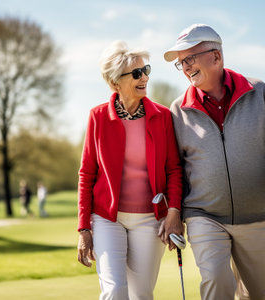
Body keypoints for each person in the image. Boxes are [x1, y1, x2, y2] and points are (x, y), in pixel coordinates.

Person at [164, 24, 265, 300]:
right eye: (181, 62)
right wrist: (174, 212)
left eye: (190, 58)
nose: (185, 67)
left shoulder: (259, 93)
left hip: (256, 216)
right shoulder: (177, 111)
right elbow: (174, 168)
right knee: (217, 280)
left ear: (216, 56)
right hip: (203, 214)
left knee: (255, 293)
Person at [77, 40, 183, 300]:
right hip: (107, 218)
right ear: (115, 83)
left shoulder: (163, 116)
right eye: (136, 73)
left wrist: (174, 213)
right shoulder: (98, 117)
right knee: (115, 290)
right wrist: (84, 229)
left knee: (142, 294)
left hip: (150, 219)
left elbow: (174, 170)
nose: (144, 77)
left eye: (145, 70)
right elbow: (86, 174)